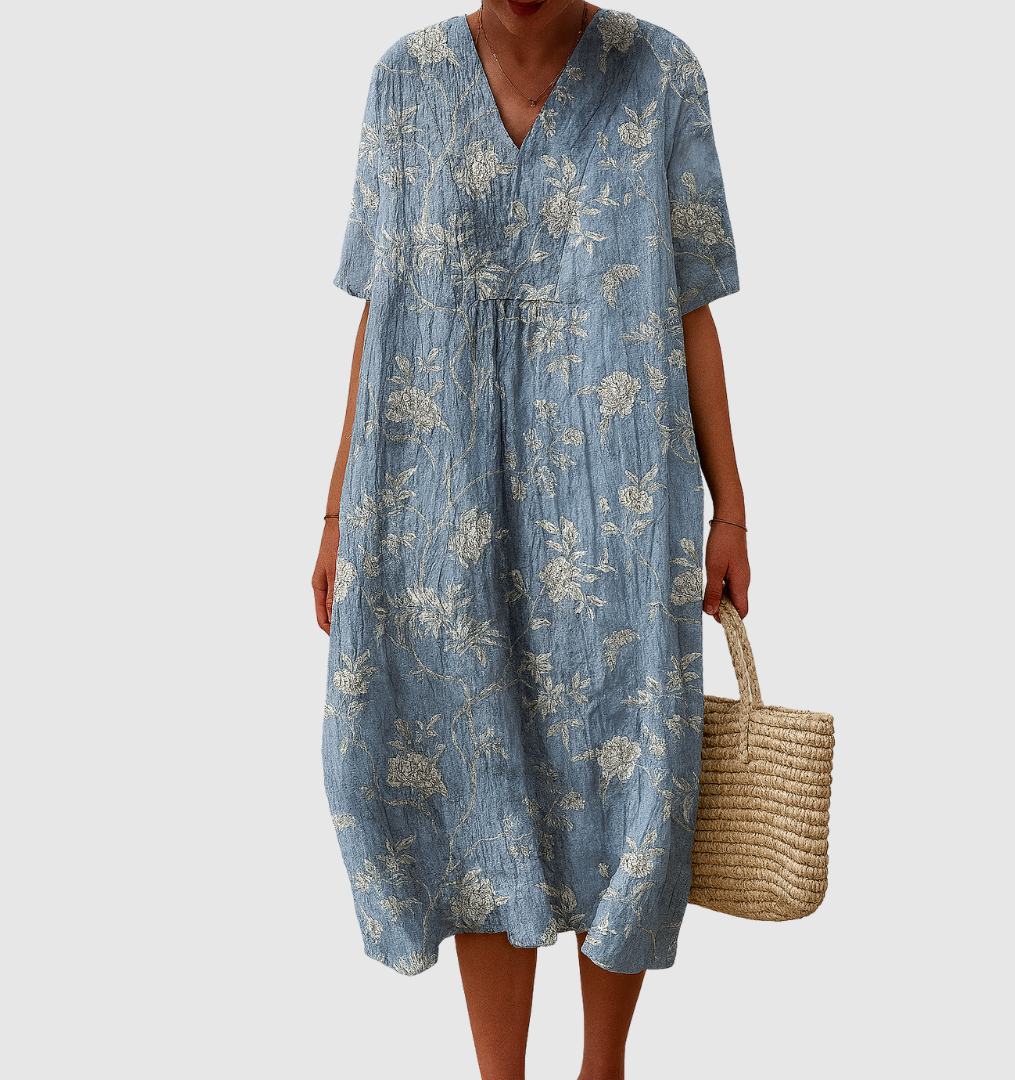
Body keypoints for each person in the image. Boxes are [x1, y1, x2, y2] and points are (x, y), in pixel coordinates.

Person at [311, 3, 749, 1076]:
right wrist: (333, 513)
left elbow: (690, 308)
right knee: (469, 770)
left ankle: (605, 1067)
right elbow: (381, 308)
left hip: (620, 499)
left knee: (625, 764)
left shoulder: (661, 75)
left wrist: (731, 506)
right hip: (435, 496)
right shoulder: (406, 82)